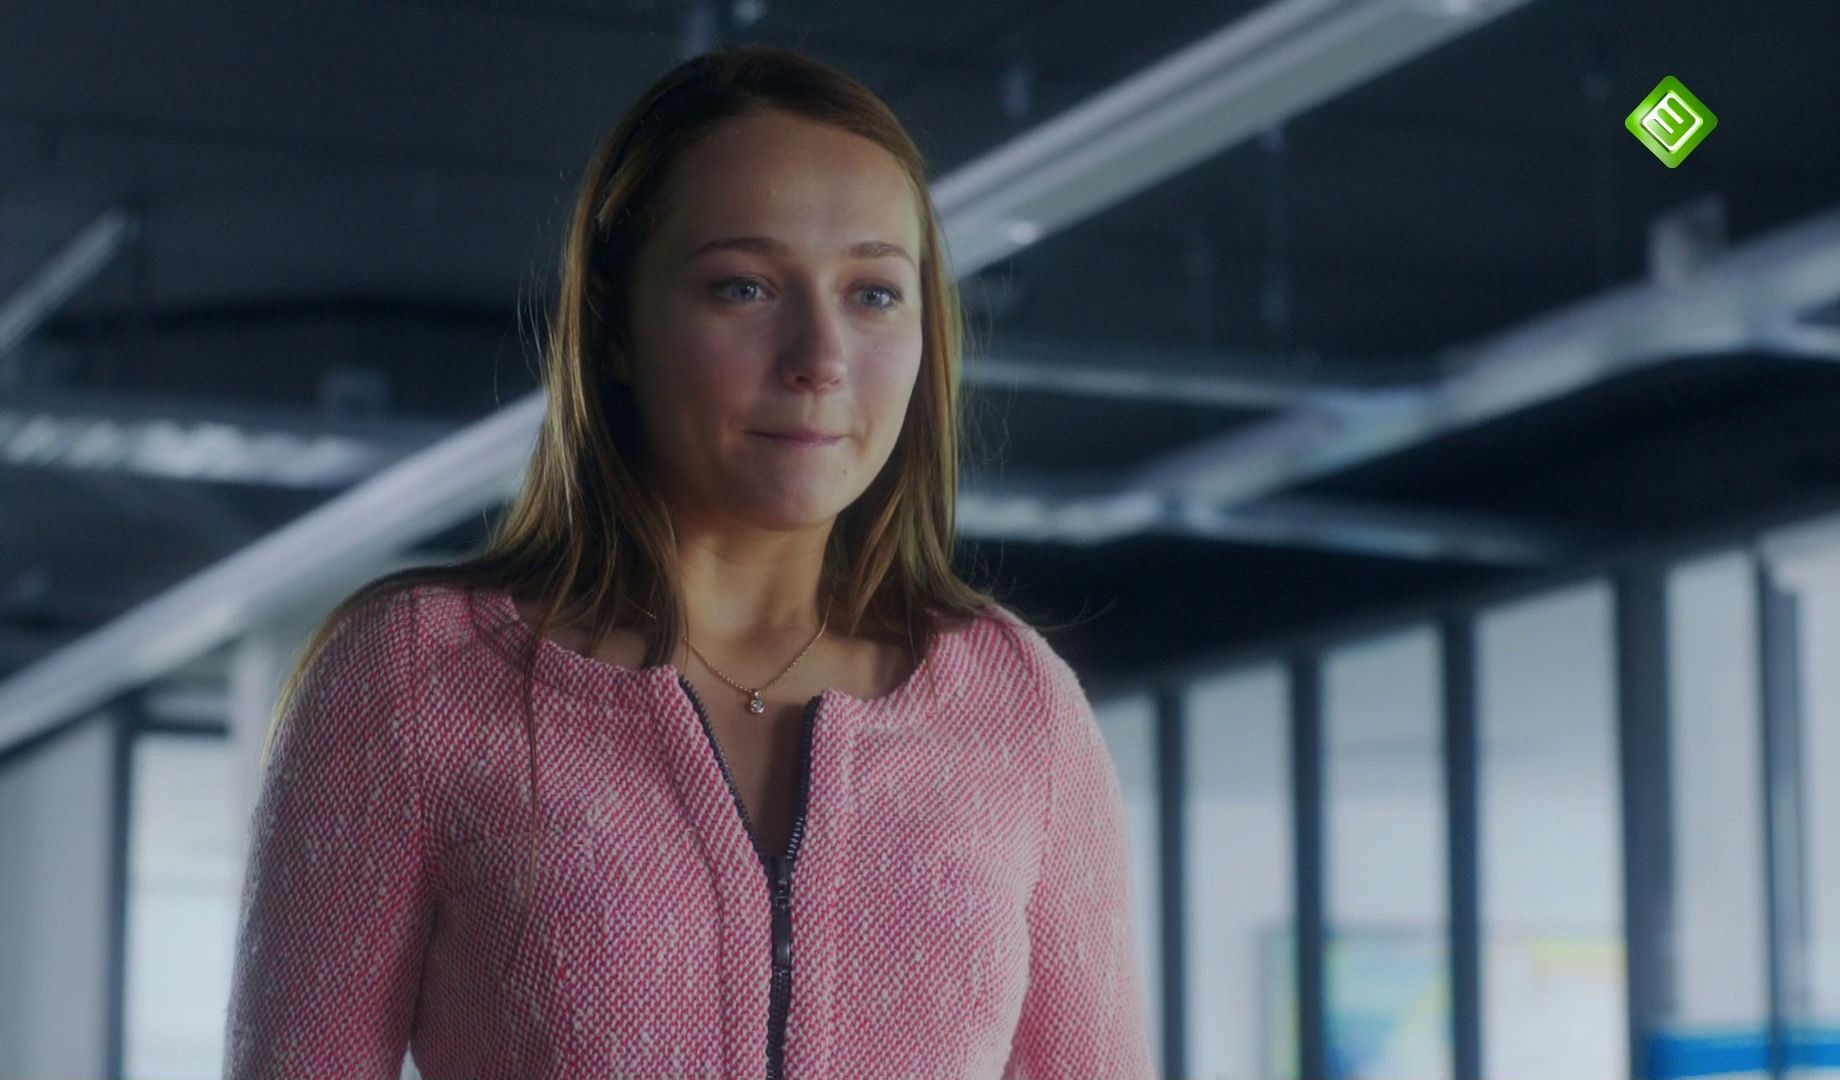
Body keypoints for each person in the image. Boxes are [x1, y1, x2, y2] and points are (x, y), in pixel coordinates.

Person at [222, 43, 1153, 1080]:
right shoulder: (415, 680)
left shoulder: (1017, 708)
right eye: (743, 287)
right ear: (615, 327)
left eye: (875, 293)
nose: (820, 358)